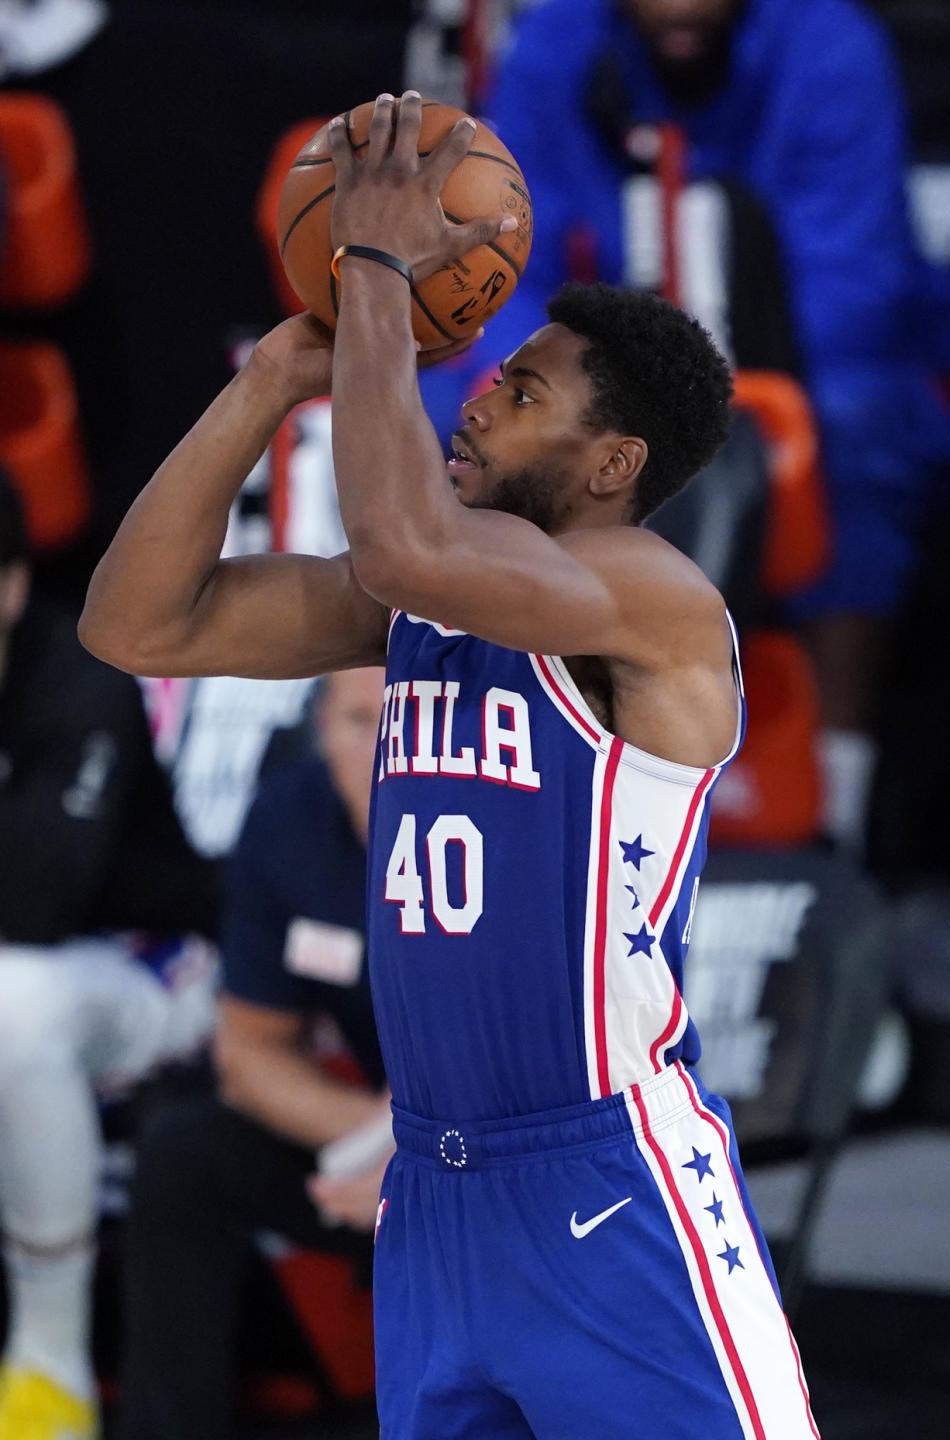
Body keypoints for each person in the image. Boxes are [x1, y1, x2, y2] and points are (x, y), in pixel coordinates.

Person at [80, 92, 817, 1438]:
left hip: (612, 1187)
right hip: (435, 1191)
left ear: (612, 462)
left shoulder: (646, 596)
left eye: (521, 390)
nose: (480, 395)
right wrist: (262, 387)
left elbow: (411, 538)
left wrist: (371, 267)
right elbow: (137, 623)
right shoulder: (416, 606)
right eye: (493, 371)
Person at [422, 0, 950, 852]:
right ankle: (502, 771)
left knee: (862, 423)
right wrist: (558, 390)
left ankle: (839, 808)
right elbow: (505, 256)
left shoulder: (829, 48)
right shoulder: (558, 43)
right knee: (456, 409)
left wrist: (684, 395)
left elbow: (852, 291)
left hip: (794, 364)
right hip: (610, 361)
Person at [114, 666, 391, 1440]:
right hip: (379, 1147)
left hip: (513, 1157)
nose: (382, 753)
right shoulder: (291, 820)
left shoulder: (505, 827)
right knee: (184, 1151)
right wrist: (375, 1141)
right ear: (322, 726)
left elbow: (550, 1065)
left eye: (404, 724)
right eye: (359, 721)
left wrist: (428, 1168)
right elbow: (250, 1055)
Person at [0, 468, 219, 1440]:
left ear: (10, 584)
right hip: (47, 972)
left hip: (162, 967)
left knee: (10, 1002)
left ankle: (47, 1376)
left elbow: (32, 905)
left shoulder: (78, 673)